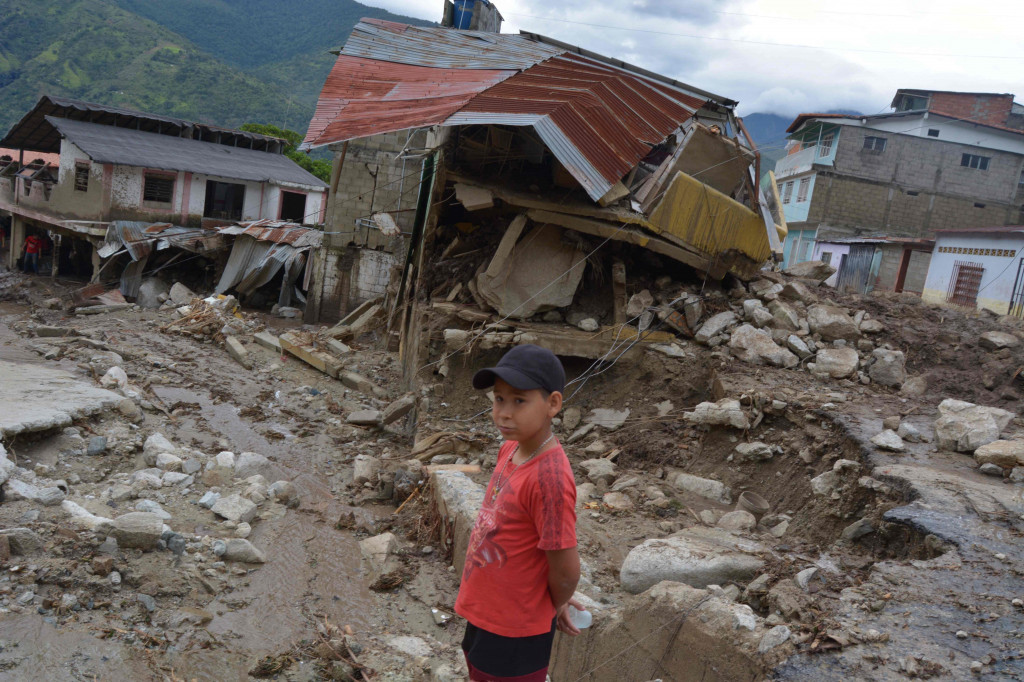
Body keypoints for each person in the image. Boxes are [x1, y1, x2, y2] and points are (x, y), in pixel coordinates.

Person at [455, 344, 583, 682]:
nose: (504, 413)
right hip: (486, 612)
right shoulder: (510, 449)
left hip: (516, 630)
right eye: (499, 399)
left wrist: (557, 602)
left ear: (553, 404)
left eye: (519, 401)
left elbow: (566, 567)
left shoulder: (550, 479)